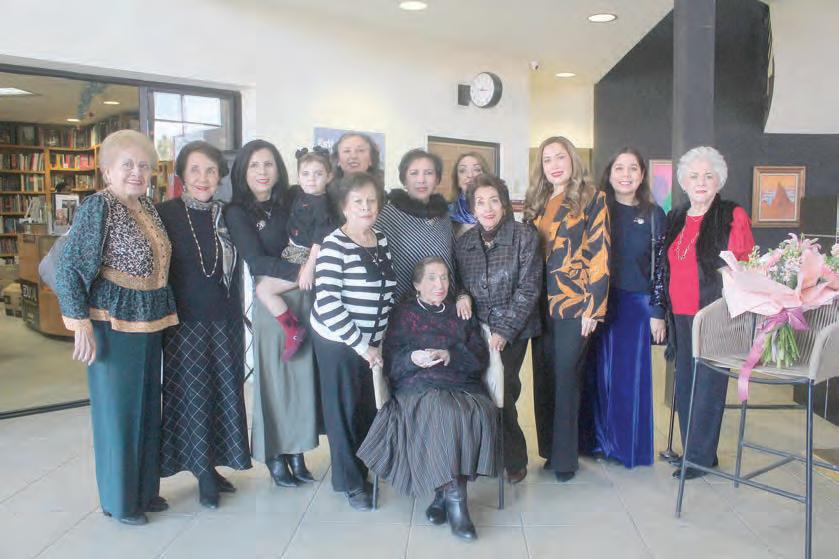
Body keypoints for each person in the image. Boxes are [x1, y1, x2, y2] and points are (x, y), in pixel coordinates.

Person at [55, 129, 177, 525]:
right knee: (119, 416)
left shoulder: (148, 206)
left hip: (150, 322)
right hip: (112, 324)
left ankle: (145, 491)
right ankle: (121, 502)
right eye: (127, 165)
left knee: (147, 410)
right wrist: (80, 324)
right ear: (107, 171)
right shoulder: (98, 207)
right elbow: (69, 266)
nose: (137, 172)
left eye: (144, 165)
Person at [358, 257, 497, 541]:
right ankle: (457, 504)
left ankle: (442, 495)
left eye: (444, 277)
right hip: (417, 384)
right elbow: (390, 360)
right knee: (440, 409)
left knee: (473, 410)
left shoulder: (460, 310)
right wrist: (413, 358)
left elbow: (480, 355)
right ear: (417, 284)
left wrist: (450, 355)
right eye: (432, 278)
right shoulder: (403, 313)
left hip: (460, 381)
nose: (440, 284)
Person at [156, 141, 250, 509]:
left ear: (220, 176)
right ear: (181, 174)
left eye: (210, 170)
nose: (203, 178)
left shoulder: (227, 215)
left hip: (225, 320)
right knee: (193, 396)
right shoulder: (164, 213)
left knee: (223, 393)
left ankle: (211, 463)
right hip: (185, 324)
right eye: (194, 169)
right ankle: (202, 472)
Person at [225, 139, 319, 488]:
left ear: (279, 169)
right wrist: (301, 272)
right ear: (242, 172)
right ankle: (274, 454)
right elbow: (256, 261)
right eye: (254, 165)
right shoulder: (237, 211)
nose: (262, 172)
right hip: (272, 304)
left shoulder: (292, 200)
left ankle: (297, 451)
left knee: (301, 380)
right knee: (274, 382)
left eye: (268, 164)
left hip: (304, 297)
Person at [664, 146, 754, 479]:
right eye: (694, 176)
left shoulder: (732, 214)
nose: (701, 182)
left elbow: (743, 265)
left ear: (719, 180)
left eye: (708, 176)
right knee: (686, 381)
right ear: (684, 182)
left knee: (708, 386)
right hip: (680, 313)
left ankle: (699, 458)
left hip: (715, 313)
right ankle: (696, 451)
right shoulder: (676, 216)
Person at [524, 136, 610, 482]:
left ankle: (565, 459)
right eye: (547, 160)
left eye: (560, 157)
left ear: (573, 160)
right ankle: (549, 450)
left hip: (575, 302)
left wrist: (594, 307)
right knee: (544, 377)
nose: (554, 165)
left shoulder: (592, 198)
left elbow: (601, 252)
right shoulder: (537, 201)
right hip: (538, 302)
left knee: (566, 377)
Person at [310, 171, 396, 511]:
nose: (366, 207)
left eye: (371, 200)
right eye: (357, 201)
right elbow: (328, 303)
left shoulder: (381, 238)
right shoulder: (335, 244)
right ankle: (349, 482)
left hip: (371, 343)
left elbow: (385, 290)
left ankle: (361, 469)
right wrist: (362, 346)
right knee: (342, 411)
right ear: (344, 206)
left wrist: (377, 341)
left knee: (363, 408)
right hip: (339, 342)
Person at [582, 147, 666, 468]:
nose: (626, 174)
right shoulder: (596, 208)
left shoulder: (654, 215)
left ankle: (625, 447)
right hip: (597, 303)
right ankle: (596, 442)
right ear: (610, 173)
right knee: (595, 376)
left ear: (642, 175)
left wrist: (658, 311)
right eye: (619, 168)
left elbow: (661, 268)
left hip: (635, 305)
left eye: (633, 168)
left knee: (627, 380)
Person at [454, 174, 541, 484]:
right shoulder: (464, 243)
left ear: (504, 204)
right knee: (478, 391)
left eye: (493, 201)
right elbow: (458, 281)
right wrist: (461, 295)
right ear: (472, 208)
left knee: (502, 390)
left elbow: (529, 288)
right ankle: (483, 456)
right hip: (477, 328)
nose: (487, 208)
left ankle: (514, 458)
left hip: (514, 329)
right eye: (480, 202)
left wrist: (504, 330)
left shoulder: (524, 236)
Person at [251, 146, 334, 361]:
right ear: (298, 176)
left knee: (263, 290)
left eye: (318, 174)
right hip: (293, 251)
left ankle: (293, 329)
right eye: (305, 174)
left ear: (329, 176)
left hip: (305, 256)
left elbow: (319, 240)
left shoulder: (323, 205)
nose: (311, 179)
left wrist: (308, 270)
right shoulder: (299, 194)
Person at [376, 148, 454, 302]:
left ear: (437, 179)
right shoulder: (387, 215)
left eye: (428, 173)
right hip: (401, 306)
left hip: (443, 305)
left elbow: (452, 262)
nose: (421, 180)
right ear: (404, 179)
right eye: (414, 173)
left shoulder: (443, 216)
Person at [448, 152, 490, 238]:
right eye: (462, 171)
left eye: (477, 170)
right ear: (457, 180)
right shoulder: (445, 214)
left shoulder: (498, 211)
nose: (470, 175)